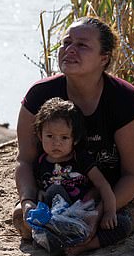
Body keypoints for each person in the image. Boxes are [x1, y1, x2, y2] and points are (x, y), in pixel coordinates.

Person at [13, 16, 134, 255]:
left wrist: (96, 212)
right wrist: (27, 201)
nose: (70, 50)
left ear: (104, 58)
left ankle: (85, 242)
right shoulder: (39, 95)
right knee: (22, 220)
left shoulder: (127, 102)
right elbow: (24, 160)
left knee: (104, 228)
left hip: (112, 193)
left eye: (82, 45)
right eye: (66, 43)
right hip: (55, 187)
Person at [32, 97, 117, 231]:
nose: (56, 143)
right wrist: (40, 193)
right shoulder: (40, 162)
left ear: (75, 139)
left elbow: (102, 184)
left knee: (57, 189)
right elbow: (38, 187)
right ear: (40, 135)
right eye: (50, 136)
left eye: (64, 138)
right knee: (52, 191)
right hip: (55, 215)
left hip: (82, 211)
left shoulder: (80, 158)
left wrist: (110, 212)